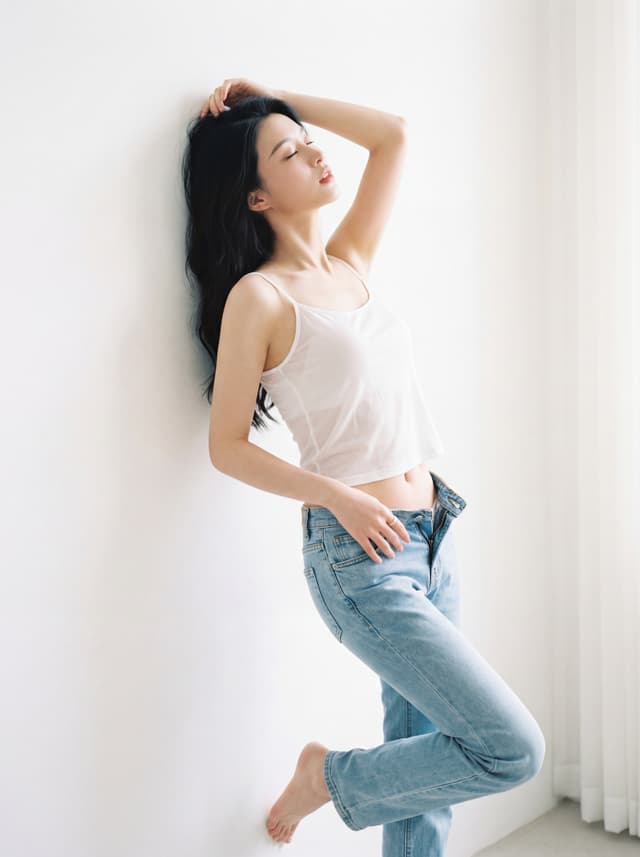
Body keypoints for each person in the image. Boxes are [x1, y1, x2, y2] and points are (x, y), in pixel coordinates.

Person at [184, 79, 545, 854]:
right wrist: (337, 497)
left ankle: (343, 786)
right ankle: (328, 777)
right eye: (289, 149)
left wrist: (276, 96)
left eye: (306, 137)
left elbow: (394, 136)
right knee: (511, 748)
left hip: (434, 532)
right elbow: (227, 445)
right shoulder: (261, 297)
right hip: (360, 557)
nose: (314, 150)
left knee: (434, 770)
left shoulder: (350, 263)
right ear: (254, 198)